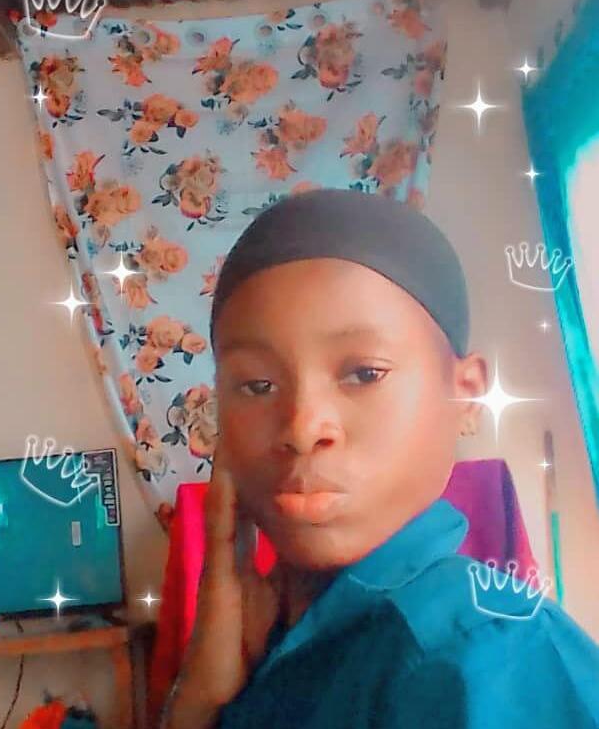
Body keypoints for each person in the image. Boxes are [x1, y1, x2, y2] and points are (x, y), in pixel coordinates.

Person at [162, 188, 599, 729]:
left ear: (465, 394)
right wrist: (199, 700)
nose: (302, 428)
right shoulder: (259, 641)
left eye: (364, 373)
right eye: (257, 385)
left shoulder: (488, 656)